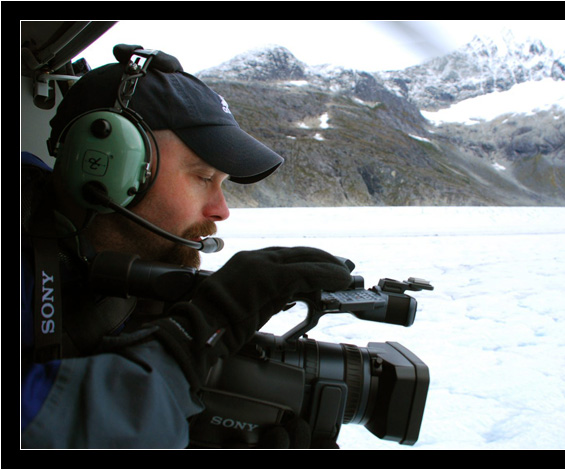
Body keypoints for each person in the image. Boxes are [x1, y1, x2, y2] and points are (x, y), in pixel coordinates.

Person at [21, 45, 352, 448]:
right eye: (203, 177)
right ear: (104, 164)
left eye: (222, 183)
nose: (221, 210)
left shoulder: (105, 275)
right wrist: (187, 344)